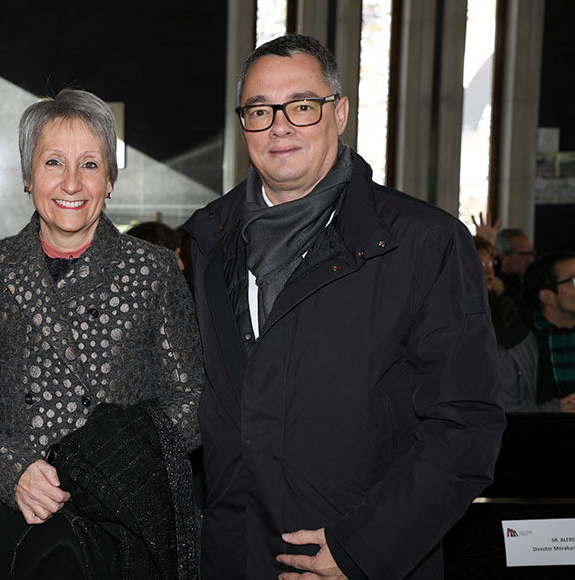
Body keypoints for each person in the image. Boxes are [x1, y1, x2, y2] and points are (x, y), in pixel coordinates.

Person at [184, 34, 504, 579]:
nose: (279, 126)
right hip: (235, 558)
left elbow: (465, 424)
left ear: (340, 114)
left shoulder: (423, 243)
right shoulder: (209, 241)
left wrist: (362, 549)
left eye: (302, 106)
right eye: (260, 110)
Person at [0, 88, 204, 579]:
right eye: (53, 162)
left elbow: (192, 403)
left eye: (91, 165)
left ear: (110, 180)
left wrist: (102, 461)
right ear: (27, 176)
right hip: (16, 521)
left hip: (124, 526)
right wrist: (12, 470)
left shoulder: (153, 270)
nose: (72, 183)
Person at [498, 251, 575, 412]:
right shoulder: (514, 343)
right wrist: (555, 410)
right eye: (573, 281)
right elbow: (502, 410)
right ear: (547, 297)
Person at [494, 227, 536, 307]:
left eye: (532, 253)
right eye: (524, 254)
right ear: (503, 256)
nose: (531, 260)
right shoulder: (495, 289)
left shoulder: (529, 283)